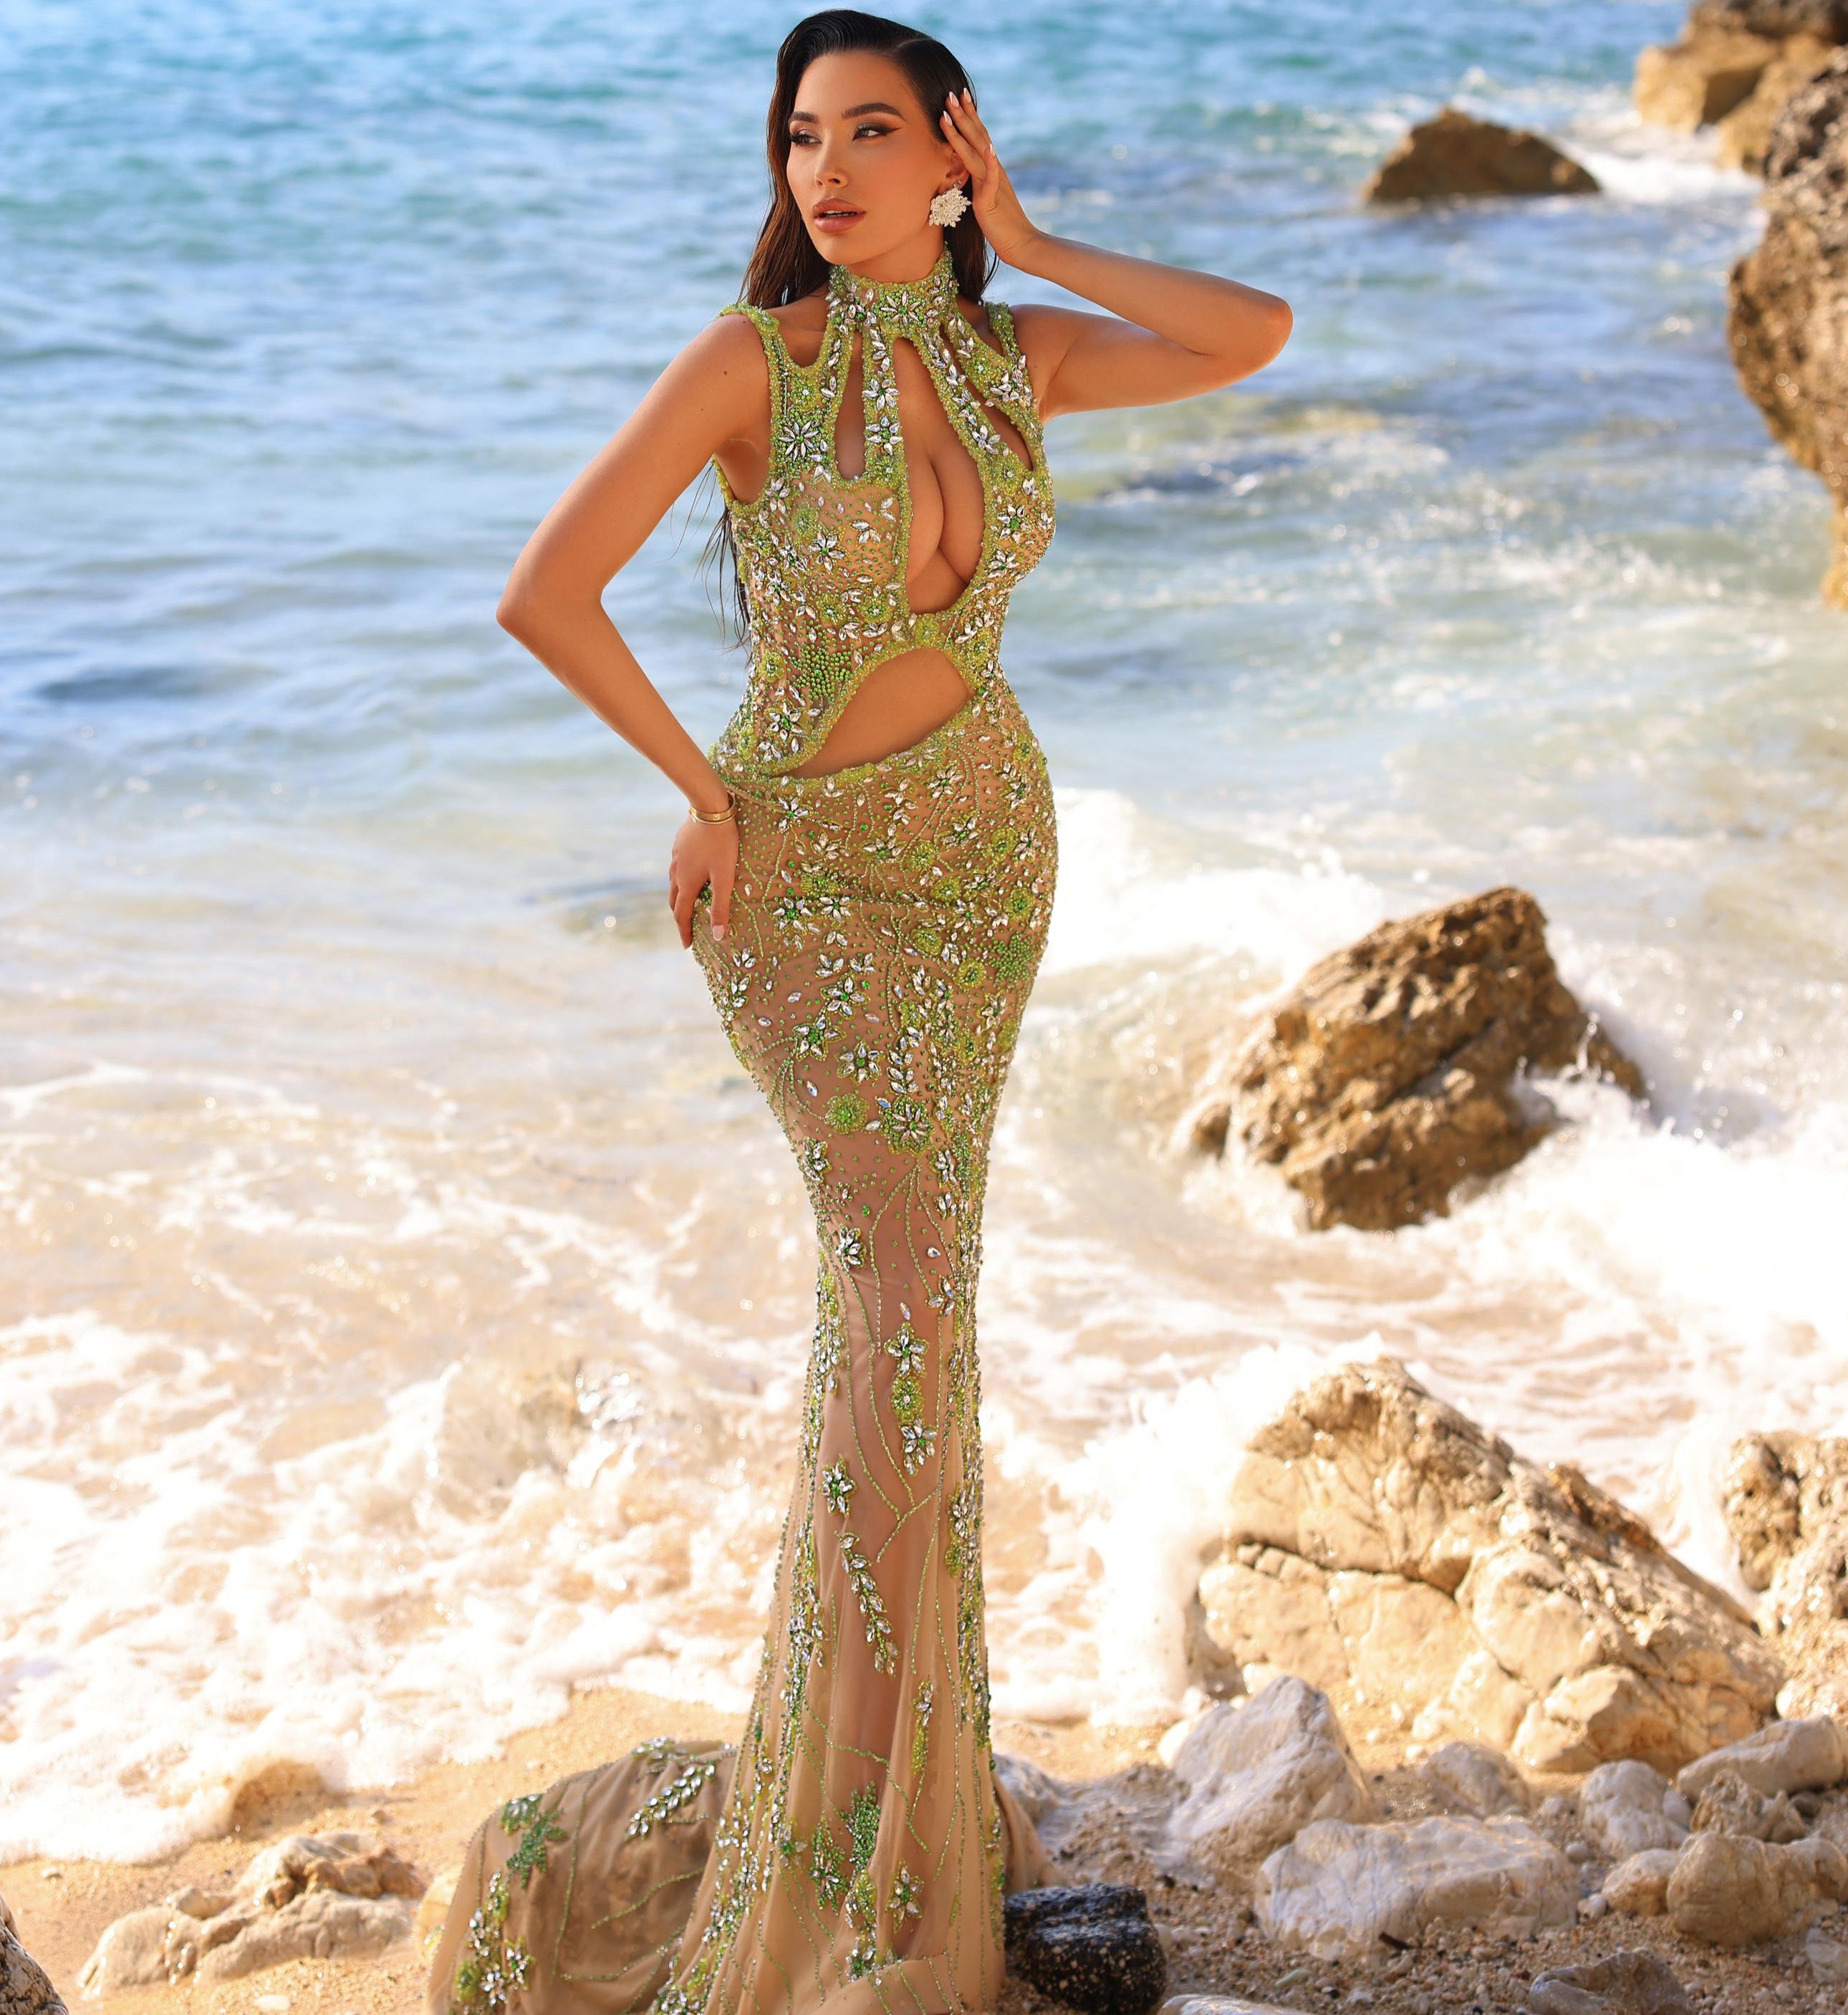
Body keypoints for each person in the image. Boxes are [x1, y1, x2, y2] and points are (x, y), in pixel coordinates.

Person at [428, 11, 1291, 2014]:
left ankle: (908, 1830)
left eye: (873, 132)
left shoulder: (1020, 359)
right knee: (893, 1323)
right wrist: (703, 792)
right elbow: (548, 590)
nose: (824, 168)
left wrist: (1046, 236)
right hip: (802, 886)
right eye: (801, 135)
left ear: (948, 159)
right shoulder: (755, 363)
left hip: (983, 862)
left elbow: (1253, 330)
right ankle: (853, 1855)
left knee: (919, 1337)